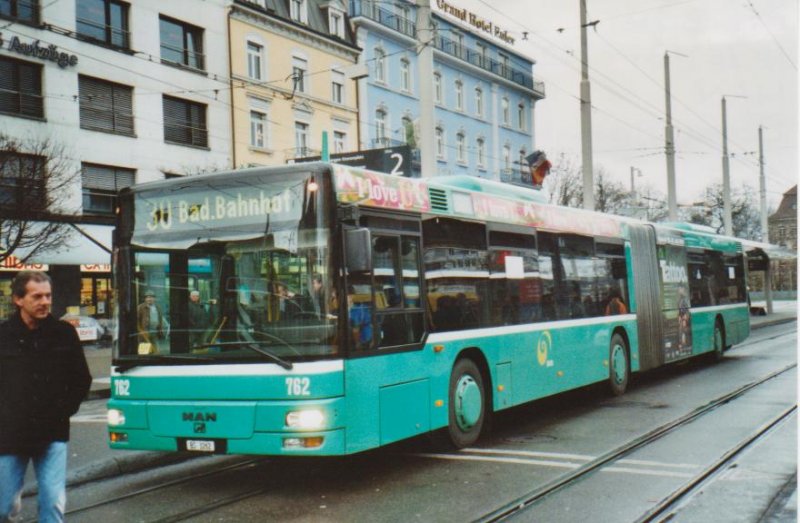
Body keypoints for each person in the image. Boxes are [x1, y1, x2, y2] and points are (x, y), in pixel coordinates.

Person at [0, 271, 92, 523]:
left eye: (48, 296)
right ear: (19, 299)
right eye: (37, 296)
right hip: (10, 434)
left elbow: (82, 379)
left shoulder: (63, 333)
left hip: (52, 432)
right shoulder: (4, 335)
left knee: (52, 501)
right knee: (3, 504)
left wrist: (62, 411)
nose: (45, 302)